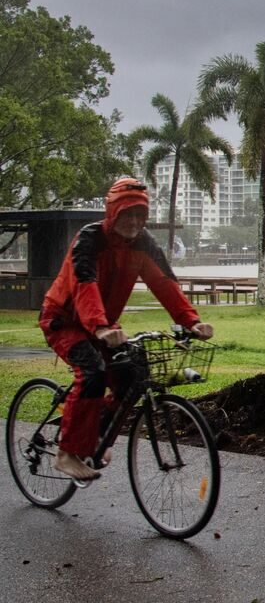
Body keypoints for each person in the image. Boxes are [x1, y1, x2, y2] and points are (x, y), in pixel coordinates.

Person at [38, 177, 214, 481]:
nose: (133, 222)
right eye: (127, 214)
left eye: (139, 215)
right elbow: (85, 285)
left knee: (132, 375)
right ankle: (66, 453)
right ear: (112, 212)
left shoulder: (143, 244)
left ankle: (97, 435)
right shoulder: (90, 239)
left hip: (103, 324)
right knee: (92, 373)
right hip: (64, 321)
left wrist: (191, 321)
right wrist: (101, 327)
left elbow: (164, 283)